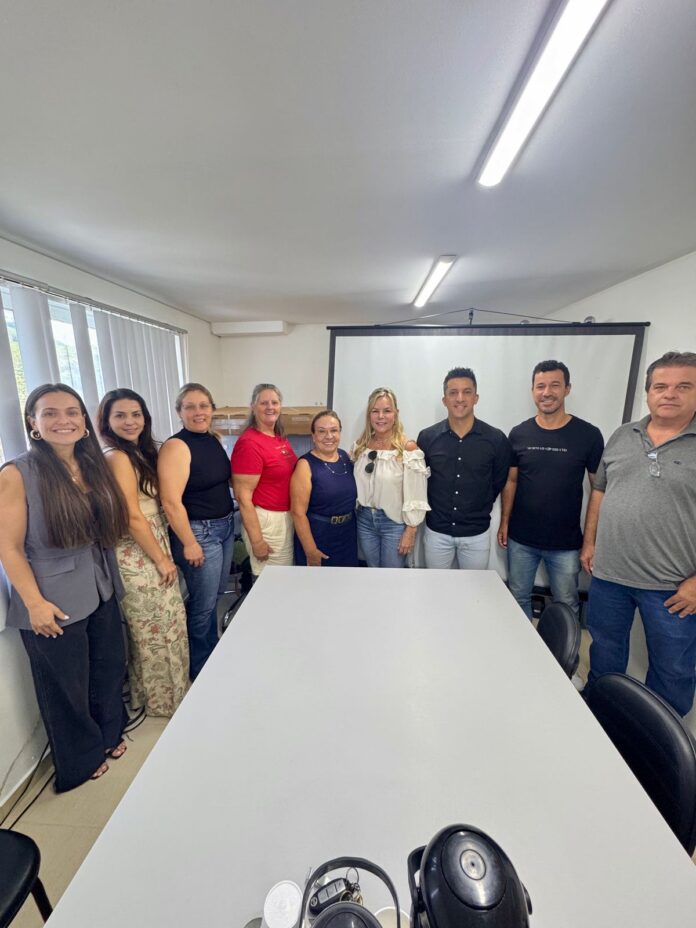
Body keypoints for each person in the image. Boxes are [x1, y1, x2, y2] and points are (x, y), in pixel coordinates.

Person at [0, 383, 129, 791]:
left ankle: (108, 734)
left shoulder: (91, 464)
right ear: (33, 423)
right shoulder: (18, 473)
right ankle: (79, 762)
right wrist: (34, 603)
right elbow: (8, 546)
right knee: (66, 687)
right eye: (50, 413)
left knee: (108, 667)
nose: (64, 421)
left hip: (100, 583)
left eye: (72, 412)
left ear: (84, 420)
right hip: (51, 597)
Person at [581, 351, 696, 717]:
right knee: (605, 650)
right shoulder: (622, 436)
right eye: (660, 386)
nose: (670, 394)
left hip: (672, 585)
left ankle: (658, 732)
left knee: (672, 667)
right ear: (648, 392)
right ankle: (602, 712)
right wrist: (590, 542)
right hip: (610, 575)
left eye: (683, 386)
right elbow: (600, 490)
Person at [98, 388, 189, 717]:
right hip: (138, 553)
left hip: (152, 543)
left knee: (166, 623)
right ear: (106, 421)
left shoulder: (137, 452)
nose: (130, 421)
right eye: (120, 415)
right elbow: (132, 517)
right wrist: (161, 559)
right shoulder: (118, 457)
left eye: (136, 414)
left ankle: (164, 695)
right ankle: (165, 703)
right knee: (156, 629)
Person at [497, 361, 604, 620]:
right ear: (532, 391)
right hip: (521, 540)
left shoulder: (589, 435)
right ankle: (522, 644)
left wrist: (591, 541)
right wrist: (505, 522)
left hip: (566, 544)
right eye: (540, 386)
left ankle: (564, 649)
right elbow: (511, 481)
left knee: (566, 604)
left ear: (567, 389)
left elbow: (599, 489)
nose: (547, 392)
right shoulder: (519, 433)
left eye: (554, 385)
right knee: (518, 598)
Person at [158, 383, 234, 680]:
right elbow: (170, 501)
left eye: (204, 406)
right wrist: (189, 543)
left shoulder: (212, 439)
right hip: (199, 533)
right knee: (202, 605)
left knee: (214, 596)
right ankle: (200, 669)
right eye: (190, 407)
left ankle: (212, 653)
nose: (198, 412)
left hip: (224, 527)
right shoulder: (176, 446)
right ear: (179, 412)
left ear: (212, 409)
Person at [417, 367, 511, 570]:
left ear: (476, 397)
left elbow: (497, 481)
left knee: (474, 589)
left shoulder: (496, 439)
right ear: (444, 400)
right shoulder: (427, 438)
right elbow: (420, 481)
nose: (460, 398)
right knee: (435, 586)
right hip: (437, 533)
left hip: (476, 534)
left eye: (467, 392)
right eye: (453, 392)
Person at [352, 387, 429, 568]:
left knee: (392, 577)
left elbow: (417, 493)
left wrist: (411, 530)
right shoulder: (361, 446)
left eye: (387, 411)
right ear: (369, 415)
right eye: (375, 411)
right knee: (372, 571)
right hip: (364, 520)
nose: (381, 416)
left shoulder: (407, 448)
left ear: (396, 414)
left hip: (394, 523)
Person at [231, 383, 298, 576]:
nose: (270, 407)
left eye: (274, 402)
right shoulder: (250, 443)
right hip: (266, 522)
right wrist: (257, 541)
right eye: (264, 403)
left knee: (283, 578)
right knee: (274, 582)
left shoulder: (277, 436)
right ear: (253, 407)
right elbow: (242, 497)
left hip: (284, 516)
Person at [290, 410, 358, 567]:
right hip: (318, 537)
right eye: (322, 431)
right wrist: (310, 550)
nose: (329, 436)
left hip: (347, 535)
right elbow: (298, 513)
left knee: (347, 580)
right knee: (317, 582)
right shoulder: (305, 465)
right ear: (313, 436)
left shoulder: (345, 457)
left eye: (334, 430)